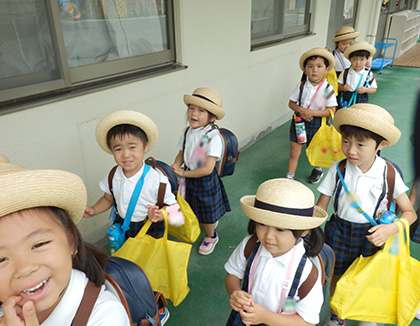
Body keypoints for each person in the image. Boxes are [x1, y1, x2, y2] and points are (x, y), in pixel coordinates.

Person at [316, 104, 417, 326]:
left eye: (360, 144)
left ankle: (366, 315)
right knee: (338, 277)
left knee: (370, 276)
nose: (351, 150)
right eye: (346, 141)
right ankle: (337, 316)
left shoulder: (388, 172)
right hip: (339, 232)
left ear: (381, 144)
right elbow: (321, 207)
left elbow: (410, 213)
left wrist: (391, 228)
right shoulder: (337, 168)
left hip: (374, 234)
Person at [0, 158, 130, 325]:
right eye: (1, 259)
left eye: (38, 245)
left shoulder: (106, 316)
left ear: (71, 240)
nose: (24, 269)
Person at [225, 178, 328, 325]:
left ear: (304, 230)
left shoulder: (307, 272)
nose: (268, 236)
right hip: (243, 319)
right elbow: (233, 274)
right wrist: (235, 292)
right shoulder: (249, 245)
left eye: (280, 229)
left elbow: (307, 322)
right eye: (262, 224)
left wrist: (266, 317)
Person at [84, 110, 177, 239]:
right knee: (125, 255)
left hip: (149, 227)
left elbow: (175, 209)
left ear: (145, 146)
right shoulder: (113, 175)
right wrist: (94, 210)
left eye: (132, 147)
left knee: (148, 258)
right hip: (123, 224)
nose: (126, 154)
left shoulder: (157, 179)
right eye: (118, 149)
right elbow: (107, 198)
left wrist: (159, 215)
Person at [172, 87, 231, 255]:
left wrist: (183, 173)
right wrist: (175, 167)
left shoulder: (212, 137)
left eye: (201, 110)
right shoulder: (187, 131)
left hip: (203, 180)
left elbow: (207, 168)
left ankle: (211, 235)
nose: (194, 114)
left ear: (212, 117)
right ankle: (209, 222)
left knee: (206, 211)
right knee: (190, 206)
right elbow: (181, 153)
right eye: (191, 108)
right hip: (188, 176)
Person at [286, 47, 338, 184]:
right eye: (310, 66)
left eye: (319, 66)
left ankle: (317, 169)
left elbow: (332, 110)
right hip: (299, 122)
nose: (314, 70)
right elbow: (291, 103)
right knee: (294, 152)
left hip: (318, 124)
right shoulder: (302, 86)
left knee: (317, 149)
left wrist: (312, 113)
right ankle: (289, 178)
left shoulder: (327, 89)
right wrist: (302, 111)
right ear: (305, 70)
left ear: (326, 70)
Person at [337, 41, 377, 108]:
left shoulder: (368, 74)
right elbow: (338, 85)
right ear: (349, 59)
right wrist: (343, 88)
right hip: (346, 99)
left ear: (367, 59)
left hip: (361, 99)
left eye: (362, 59)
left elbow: (374, 89)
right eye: (355, 59)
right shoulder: (345, 72)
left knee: (358, 116)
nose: (358, 63)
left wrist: (366, 90)